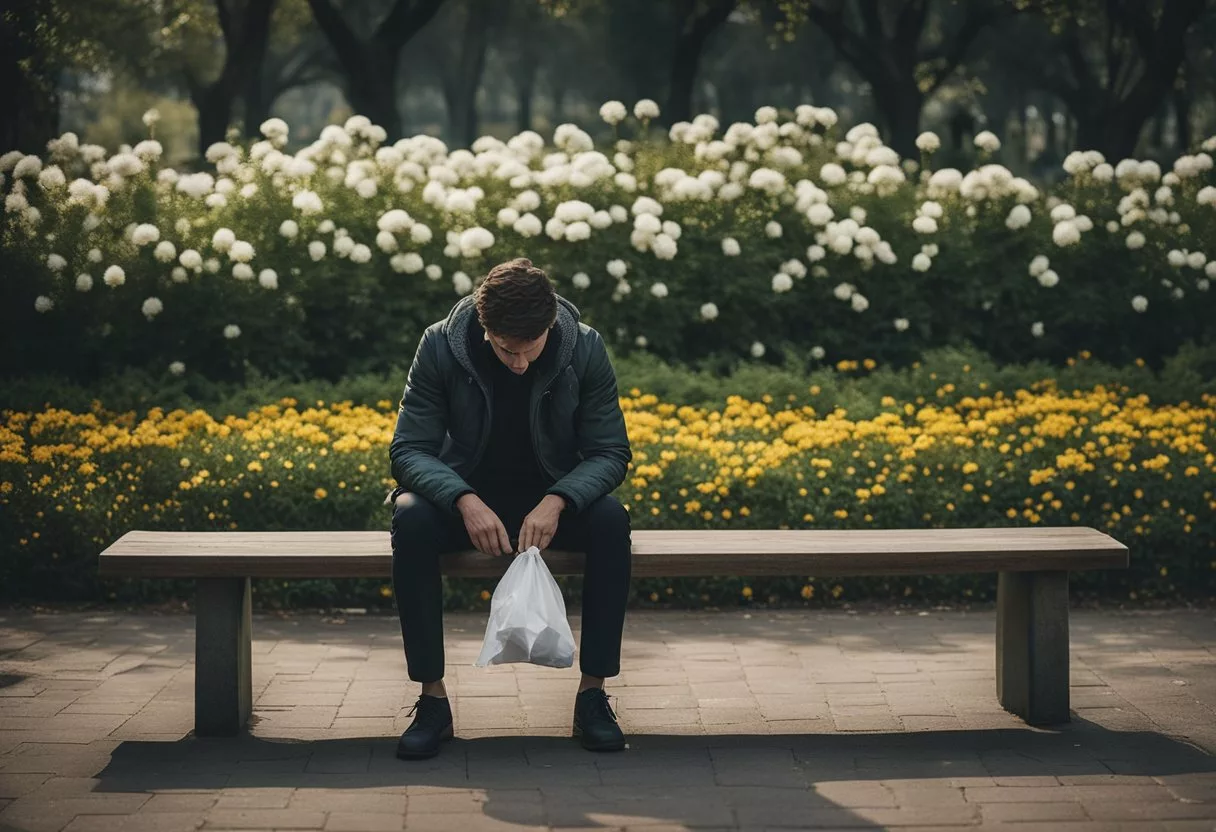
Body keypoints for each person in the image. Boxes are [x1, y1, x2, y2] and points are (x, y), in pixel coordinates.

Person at [388, 257, 633, 760]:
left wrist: (560, 498)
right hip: (466, 501)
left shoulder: (584, 346)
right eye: (505, 349)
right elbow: (408, 448)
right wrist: (463, 499)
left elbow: (611, 451)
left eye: (530, 348)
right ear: (484, 327)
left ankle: (593, 695)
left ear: (550, 324)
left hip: (551, 504)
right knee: (410, 517)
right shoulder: (440, 344)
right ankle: (432, 701)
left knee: (612, 520)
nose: (519, 362)